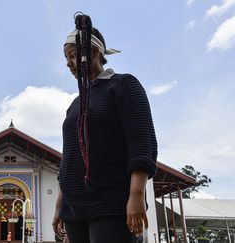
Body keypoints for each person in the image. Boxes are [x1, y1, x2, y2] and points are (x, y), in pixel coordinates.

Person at [52, 13, 157, 243]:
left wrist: (137, 195)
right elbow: (70, 157)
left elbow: (142, 142)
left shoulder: (123, 85)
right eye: (66, 58)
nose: (68, 63)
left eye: (72, 56)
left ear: (94, 53)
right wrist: (61, 205)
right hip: (74, 207)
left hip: (111, 201)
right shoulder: (75, 104)